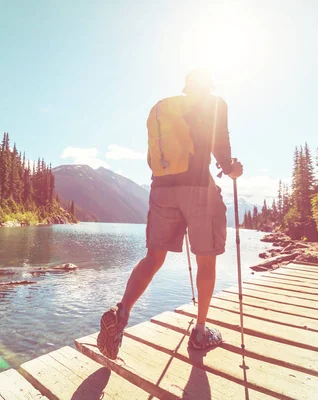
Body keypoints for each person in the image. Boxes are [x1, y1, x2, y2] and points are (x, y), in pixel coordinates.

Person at [97, 69, 244, 359]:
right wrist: (231, 169)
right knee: (206, 259)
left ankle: (121, 310)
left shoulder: (164, 109)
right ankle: (201, 331)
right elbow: (221, 148)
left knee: (154, 257)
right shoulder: (215, 104)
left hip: (162, 188)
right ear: (210, 83)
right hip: (198, 188)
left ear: (186, 85)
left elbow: (153, 158)